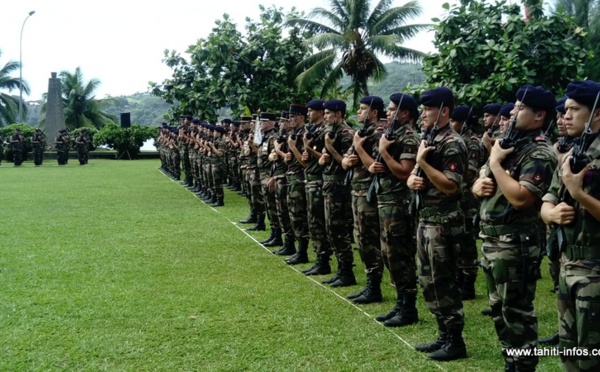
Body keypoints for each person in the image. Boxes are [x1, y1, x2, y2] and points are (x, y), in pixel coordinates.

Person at [473, 84, 557, 371]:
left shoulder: (539, 152)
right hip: (492, 239)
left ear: (539, 116)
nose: (512, 112)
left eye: (520, 108)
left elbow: (522, 198)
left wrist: (495, 165)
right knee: (499, 309)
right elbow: (482, 179)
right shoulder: (508, 143)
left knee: (516, 310)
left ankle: (523, 365)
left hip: (516, 242)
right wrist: (478, 183)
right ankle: (512, 360)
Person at [540, 80, 600, 371]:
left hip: (595, 272)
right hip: (568, 265)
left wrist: (578, 194)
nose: (565, 116)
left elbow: (574, 193)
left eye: (574, 109)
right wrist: (551, 214)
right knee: (570, 354)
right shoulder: (572, 152)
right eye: (565, 110)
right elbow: (547, 200)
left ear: (597, 114)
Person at [407, 87, 468, 361]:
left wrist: (422, 162)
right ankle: (443, 333)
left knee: (443, 281)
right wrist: (412, 178)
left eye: (427, 109)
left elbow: (450, 186)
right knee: (428, 280)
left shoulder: (453, 143)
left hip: (443, 223)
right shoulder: (429, 138)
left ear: (444, 112)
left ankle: (455, 340)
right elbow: (417, 177)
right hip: (426, 219)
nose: (422, 114)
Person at [369, 92, 421, 326]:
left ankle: (408, 307)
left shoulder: (408, 137)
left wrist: (385, 153)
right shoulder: (391, 135)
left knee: (400, 254)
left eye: (391, 109)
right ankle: (400, 303)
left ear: (404, 113)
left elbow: (404, 172)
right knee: (389, 253)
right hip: (386, 200)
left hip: (398, 203)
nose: (387, 113)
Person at [342, 96, 385, 303]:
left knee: (369, 240)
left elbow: (375, 166)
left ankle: (375, 286)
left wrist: (359, 150)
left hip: (369, 194)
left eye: (362, 108)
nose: (358, 112)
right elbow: (345, 162)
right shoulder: (361, 133)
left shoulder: (378, 134)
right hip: (356, 192)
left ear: (374, 112)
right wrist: (348, 160)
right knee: (360, 238)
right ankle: (370, 282)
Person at [319, 99, 355, 287]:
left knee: (338, 228)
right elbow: (327, 161)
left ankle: (347, 270)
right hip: (330, 185)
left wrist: (331, 148)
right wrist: (324, 157)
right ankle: (342, 268)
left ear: (338, 114)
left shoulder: (346, 134)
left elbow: (345, 164)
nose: (325, 116)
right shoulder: (331, 133)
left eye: (328, 113)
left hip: (340, 187)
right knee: (331, 228)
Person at [449, 105, 485, 300]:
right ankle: (459, 278)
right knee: (457, 242)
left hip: (468, 199)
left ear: (462, 122)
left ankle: (468, 283)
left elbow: (470, 172)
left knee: (467, 242)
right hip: (456, 198)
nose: (451, 124)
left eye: (454, 121)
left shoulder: (471, 142)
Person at [301, 99, 334, 276]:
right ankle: (319, 257)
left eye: (311, 111)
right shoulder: (311, 131)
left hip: (320, 181)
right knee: (313, 221)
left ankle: (324, 260)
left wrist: (309, 149)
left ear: (320, 112)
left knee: (319, 222)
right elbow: (308, 158)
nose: (308, 114)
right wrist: (306, 153)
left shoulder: (325, 132)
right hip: (310, 178)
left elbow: (325, 157)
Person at [283, 104, 311, 265]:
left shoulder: (305, 135)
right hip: (291, 178)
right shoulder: (293, 134)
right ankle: (295, 247)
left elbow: (304, 162)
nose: (290, 120)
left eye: (293, 117)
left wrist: (293, 148)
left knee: (300, 216)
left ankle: (302, 251)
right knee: (293, 215)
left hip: (300, 179)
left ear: (301, 117)